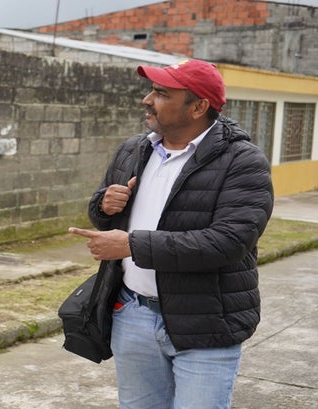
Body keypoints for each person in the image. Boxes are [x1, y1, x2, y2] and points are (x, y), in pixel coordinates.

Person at [69, 59, 274, 408]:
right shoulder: (134, 149)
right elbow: (102, 213)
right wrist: (104, 205)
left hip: (206, 323)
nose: (147, 100)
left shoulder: (243, 162)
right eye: (151, 90)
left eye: (162, 93)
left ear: (198, 107)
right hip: (133, 313)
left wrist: (131, 245)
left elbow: (229, 242)